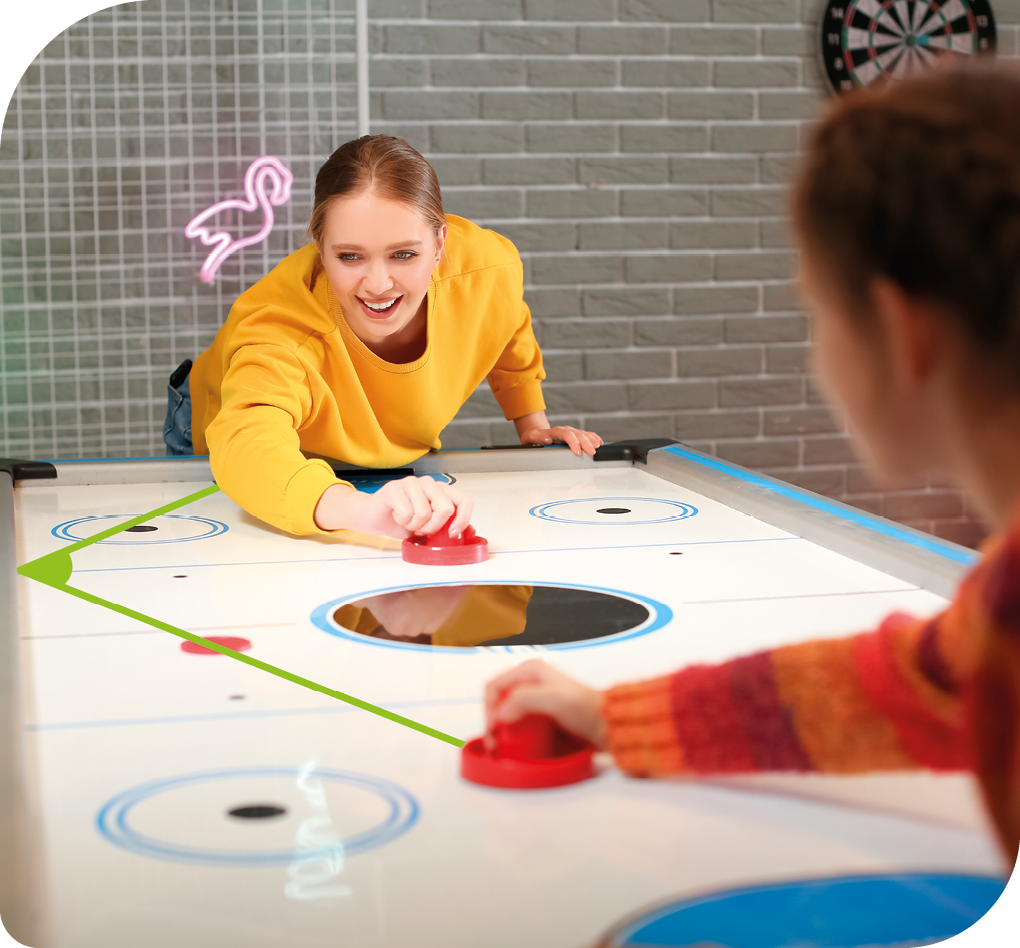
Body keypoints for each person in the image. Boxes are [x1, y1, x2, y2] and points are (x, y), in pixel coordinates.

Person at [483, 64, 1020, 872]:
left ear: (904, 333)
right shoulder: (1000, 615)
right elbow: (895, 688)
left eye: (815, 311)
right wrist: (612, 715)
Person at [164, 135, 602, 538]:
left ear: (440, 244)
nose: (377, 284)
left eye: (404, 254)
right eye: (350, 256)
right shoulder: (278, 325)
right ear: (319, 246)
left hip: (370, 438)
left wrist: (532, 424)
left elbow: (505, 321)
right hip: (222, 424)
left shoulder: (486, 268)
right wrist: (363, 512)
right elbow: (246, 443)